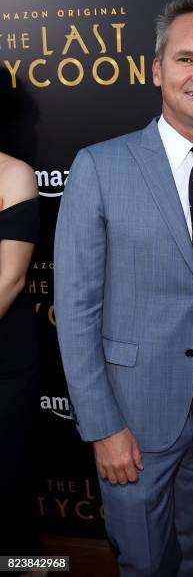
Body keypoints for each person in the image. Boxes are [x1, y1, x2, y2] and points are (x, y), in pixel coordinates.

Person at [54, 0, 193, 577]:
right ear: (156, 69)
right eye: (185, 58)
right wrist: (103, 427)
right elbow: (74, 309)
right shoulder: (100, 166)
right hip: (132, 421)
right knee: (143, 565)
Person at [0, 153, 41, 567]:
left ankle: (30, 569)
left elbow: (8, 278)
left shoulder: (13, 174)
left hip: (5, 362)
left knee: (8, 485)